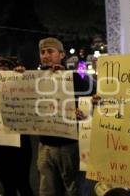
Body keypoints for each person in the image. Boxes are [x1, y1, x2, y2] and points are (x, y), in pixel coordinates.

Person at [36, 37, 95, 196]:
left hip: (69, 145)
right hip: (45, 145)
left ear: (61, 55)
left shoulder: (74, 77)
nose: (46, 55)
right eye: (42, 52)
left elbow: (90, 93)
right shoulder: (33, 78)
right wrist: (18, 74)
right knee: (47, 189)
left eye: (50, 51)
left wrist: (81, 110)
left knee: (73, 189)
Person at [0, 57, 34, 196]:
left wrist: (22, 77)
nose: (1, 73)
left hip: (20, 147)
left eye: (5, 70)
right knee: (8, 187)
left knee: (23, 184)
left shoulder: (20, 88)